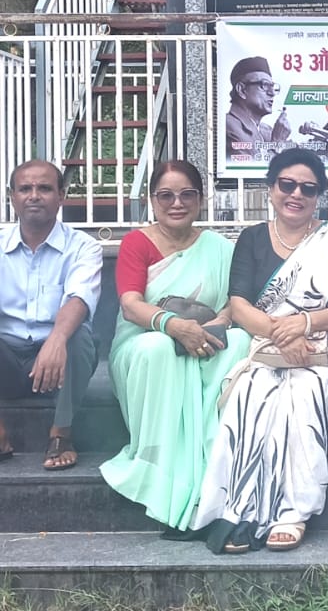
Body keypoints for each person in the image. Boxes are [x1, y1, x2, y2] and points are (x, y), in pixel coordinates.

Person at [194, 147, 328, 555]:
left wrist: (304, 324)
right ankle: (238, 508)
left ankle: (293, 512)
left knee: (305, 394)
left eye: (308, 188)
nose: (296, 194)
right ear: (270, 189)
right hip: (266, 349)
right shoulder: (252, 238)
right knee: (249, 394)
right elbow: (238, 305)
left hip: (327, 354)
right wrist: (281, 333)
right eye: (287, 184)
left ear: (318, 195)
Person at [100, 160, 248, 533]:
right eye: (166, 195)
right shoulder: (137, 243)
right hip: (146, 340)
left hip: (205, 338)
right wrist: (174, 326)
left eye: (186, 195)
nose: (177, 203)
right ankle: (163, 472)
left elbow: (235, 301)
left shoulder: (218, 247)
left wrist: (219, 323)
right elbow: (131, 305)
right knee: (158, 349)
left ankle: (217, 459)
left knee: (240, 341)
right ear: (152, 200)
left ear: (201, 199)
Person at [0, 159, 101, 470]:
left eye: (44, 188)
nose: (34, 196)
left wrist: (56, 339)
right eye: (25, 189)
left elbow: (79, 298)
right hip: (6, 360)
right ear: (12, 197)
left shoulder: (83, 246)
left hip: (58, 368)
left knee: (79, 336)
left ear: (61, 196)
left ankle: (61, 434)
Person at [226, 56, 291, 161]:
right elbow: (250, 170)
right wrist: (277, 143)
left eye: (273, 87)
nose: (272, 93)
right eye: (264, 85)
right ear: (242, 90)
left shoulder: (266, 130)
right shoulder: (229, 127)